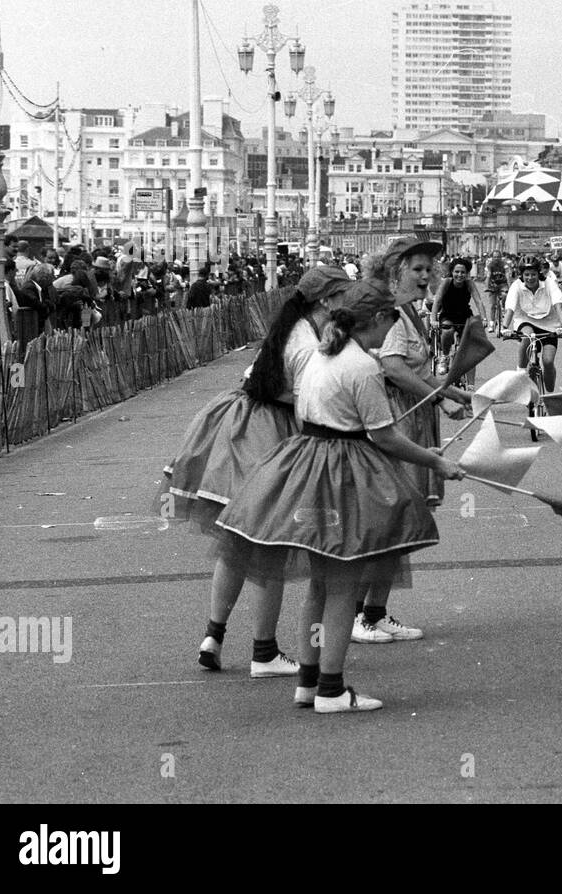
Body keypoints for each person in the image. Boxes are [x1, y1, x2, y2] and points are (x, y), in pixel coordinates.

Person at [216, 280, 464, 713]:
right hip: (341, 472)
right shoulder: (363, 368)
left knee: (319, 583)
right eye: (392, 317)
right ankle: (331, 689)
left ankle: (309, 683)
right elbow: (384, 436)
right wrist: (434, 461)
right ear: (379, 320)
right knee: (343, 585)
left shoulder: (320, 355)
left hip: (304, 463)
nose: (394, 324)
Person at [166, 263, 354, 676]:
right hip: (271, 431)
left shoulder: (292, 327)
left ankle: (213, 635)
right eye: (345, 294)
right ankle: (263, 652)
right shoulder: (308, 342)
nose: (350, 301)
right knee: (270, 544)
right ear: (328, 299)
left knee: (236, 541)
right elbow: (310, 408)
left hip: (239, 421)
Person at [357, 237, 473, 645]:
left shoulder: (411, 311)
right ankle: (356, 613)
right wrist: (438, 395)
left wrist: (450, 391)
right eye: (416, 268)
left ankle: (375, 611)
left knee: (400, 518)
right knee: (387, 518)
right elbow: (391, 368)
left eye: (429, 269)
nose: (426, 276)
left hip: (411, 415)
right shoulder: (389, 312)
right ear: (394, 271)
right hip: (394, 419)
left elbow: (414, 368)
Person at [502, 259, 562, 392]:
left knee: (548, 361)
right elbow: (510, 307)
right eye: (526, 274)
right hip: (525, 320)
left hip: (550, 324)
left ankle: (548, 392)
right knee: (528, 335)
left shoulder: (549, 283)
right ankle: (520, 372)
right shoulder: (516, 285)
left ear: (539, 274)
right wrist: (504, 328)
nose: (530, 278)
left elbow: (558, 304)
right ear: (522, 275)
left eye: (533, 274)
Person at [432, 257, 487, 374]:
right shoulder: (447, 282)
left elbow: (478, 301)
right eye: (457, 272)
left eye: (463, 272)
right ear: (452, 272)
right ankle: (445, 356)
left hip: (465, 315)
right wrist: (433, 319)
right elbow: (437, 301)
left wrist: (484, 318)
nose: (460, 275)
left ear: (467, 273)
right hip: (447, 314)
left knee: (468, 345)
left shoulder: (469, 283)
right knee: (447, 331)